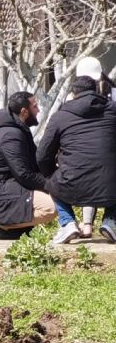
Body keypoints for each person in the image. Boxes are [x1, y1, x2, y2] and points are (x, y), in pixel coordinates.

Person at [35, 75, 116, 244]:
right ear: (96, 91)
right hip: (110, 182)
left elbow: (42, 155)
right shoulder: (112, 110)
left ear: (73, 94)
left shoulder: (60, 116)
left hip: (71, 181)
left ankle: (68, 223)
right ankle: (111, 221)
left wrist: (51, 174)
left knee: (51, 182)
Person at [0, 91, 56, 239]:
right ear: (24, 112)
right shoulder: (11, 135)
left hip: (3, 190)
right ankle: (3, 224)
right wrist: (52, 184)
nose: (38, 110)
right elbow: (23, 174)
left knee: (54, 193)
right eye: (35, 107)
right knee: (51, 207)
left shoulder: (16, 131)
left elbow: (33, 165)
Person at [71, 56, 114, 237]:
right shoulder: (112, 95)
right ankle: (109, 221)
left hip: (81, 156)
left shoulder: (71, 100)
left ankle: (87, 225)